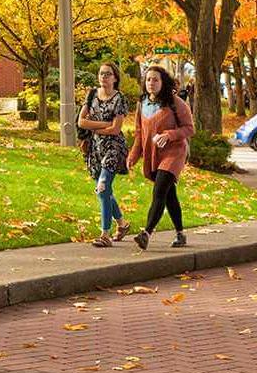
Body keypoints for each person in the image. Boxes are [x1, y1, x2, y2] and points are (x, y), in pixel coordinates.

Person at [129, 65, 195, 249]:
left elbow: (190, 128)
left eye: (155, 79)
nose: (151, 83)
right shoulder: (142, 104)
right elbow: (139, 133)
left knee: (159, 191)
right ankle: (180, 234)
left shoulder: (175, 103)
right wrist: (133, 155)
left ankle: (146, 233)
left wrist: (169, 135)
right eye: (148, 79)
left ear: (163, 82)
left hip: (174, 153)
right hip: (154, 154)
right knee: (169, 195)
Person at [77, 62, 131, 247]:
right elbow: (81, 122)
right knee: (105, 191)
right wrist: (103, 125)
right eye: (101, 74)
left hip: (113, 147)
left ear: (115, 78)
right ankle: (122, 224)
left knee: (102, 186)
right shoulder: (92, 94)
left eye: (108, 74)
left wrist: (95, 125)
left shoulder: (120, 99)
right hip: (94, 148)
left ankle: (105, 235)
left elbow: (116, 129)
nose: (104, 77)